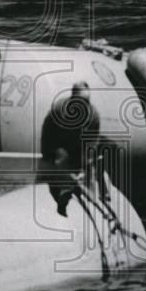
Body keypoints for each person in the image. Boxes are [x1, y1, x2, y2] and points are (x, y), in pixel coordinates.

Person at [39, 81, 100, 216]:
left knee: (91, 166)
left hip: (79, 145)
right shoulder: (59, 109)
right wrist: (48, 154)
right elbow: (47, 132)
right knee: (62, 160)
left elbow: (92, 142)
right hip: (60, 144)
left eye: (86, 101)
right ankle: (63, 194)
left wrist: (87, 164)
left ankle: (96, 198)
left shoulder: (93, 115)